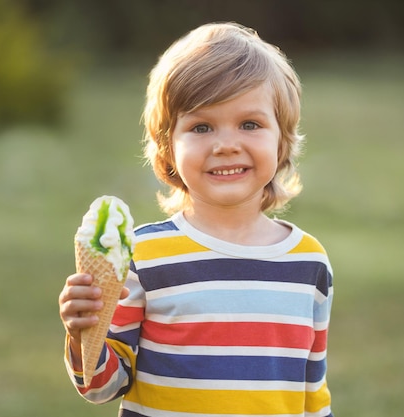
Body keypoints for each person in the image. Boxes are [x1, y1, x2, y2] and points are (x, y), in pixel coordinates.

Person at [58, 22, 334, 417]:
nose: (225, 145)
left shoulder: (309, 263)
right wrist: (82, 333)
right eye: (201, 127)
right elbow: (103, 387)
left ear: (282, 140)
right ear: (168, 149)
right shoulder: (143, 257)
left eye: (250, 124)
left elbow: (313, 394)